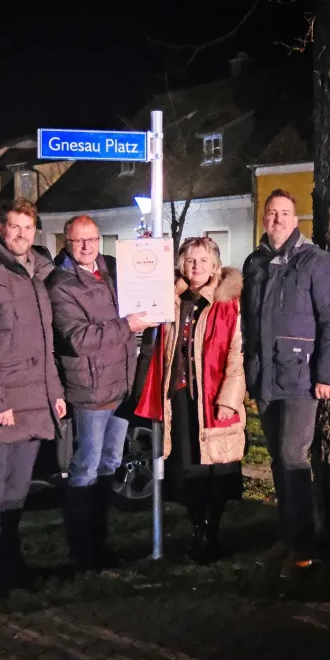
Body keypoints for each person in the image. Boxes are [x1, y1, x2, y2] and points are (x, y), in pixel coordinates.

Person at [0, 199, 66, 593]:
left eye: (27, 227)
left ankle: (12, 562)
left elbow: (45, 342)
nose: (21, 234)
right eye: (14, 226)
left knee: (17, 491)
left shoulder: (36, 276)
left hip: (35, 400)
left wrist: (55, 392)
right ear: (0, 229)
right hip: (2, 404)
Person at [242, 189, 330, 578]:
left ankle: (303, 547)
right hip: (266, 375)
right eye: (272, 212)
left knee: (293, 457)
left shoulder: (315, 261)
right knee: (276, 459)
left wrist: (327, 375)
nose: (278, 219)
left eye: (285, 213)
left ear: (296, 218)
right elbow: (248, 320)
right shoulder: (255, 262)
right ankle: (286, 538)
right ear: (264, 218)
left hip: (302, 378)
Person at [47, 214, 153, 571]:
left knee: (109, 466)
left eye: (92, 239)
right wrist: (127, 325)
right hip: (91, 391)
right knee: (86, 469)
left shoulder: (108, 270)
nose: (86, 246)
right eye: (79, 240)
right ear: (67, 243)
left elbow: (145, 280)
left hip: (120, 387)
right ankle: (82, 550)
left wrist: (149, 255)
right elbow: (78, 339)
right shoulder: (61, 284)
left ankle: (100, 544)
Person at [136, 236, 246, 563]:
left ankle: (211, 533)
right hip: (181, 399)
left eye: (203, 260)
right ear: (181, 264)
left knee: (216, 470)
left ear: (215, 265)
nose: (196, 266)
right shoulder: (170, 298)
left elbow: (238, 353)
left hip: (214, 397)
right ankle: (199, 532)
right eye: (190, 260)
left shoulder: (228, 302)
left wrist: (229, 399)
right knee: (188, 471)